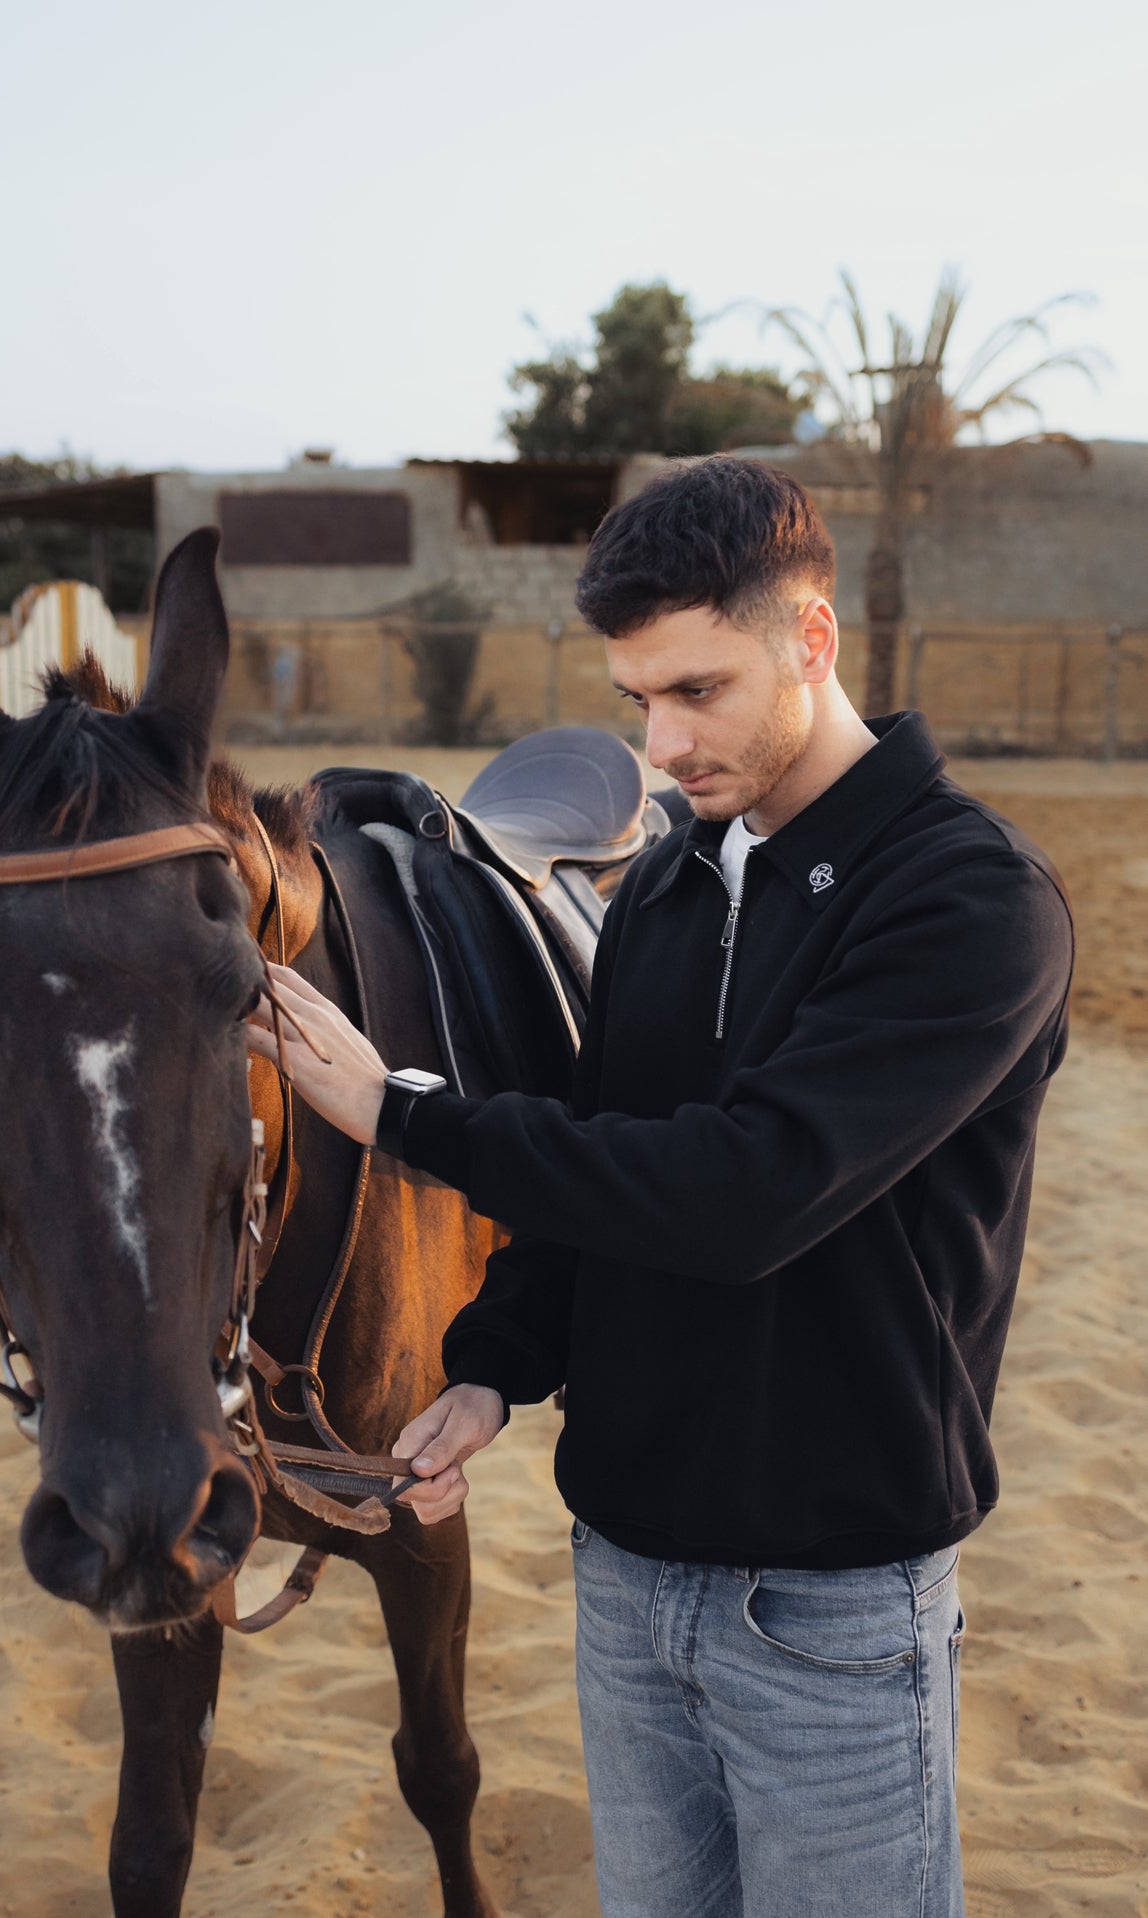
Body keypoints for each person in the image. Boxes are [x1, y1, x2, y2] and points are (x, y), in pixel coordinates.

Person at [248, 455, 1074, 1918]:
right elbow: (601, 1163)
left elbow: (742, 1192)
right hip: (626, 1580)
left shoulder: (970, 901)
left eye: (698, 690)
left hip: (828, 1608)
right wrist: (497, 1365)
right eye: (637, 698)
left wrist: (405, 1113)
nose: (661, 740)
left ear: (812, 641)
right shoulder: (679, 881)